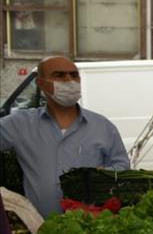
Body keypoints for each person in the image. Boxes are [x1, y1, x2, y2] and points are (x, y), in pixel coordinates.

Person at [0, 56, 130, 217]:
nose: (69, 81)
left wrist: (102, 175)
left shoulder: (102, 126)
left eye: (74, 75)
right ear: (41, 84)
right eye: (59, 75)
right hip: (39, 229)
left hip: (91, 228)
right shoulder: (19, 125)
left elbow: (122, 167)